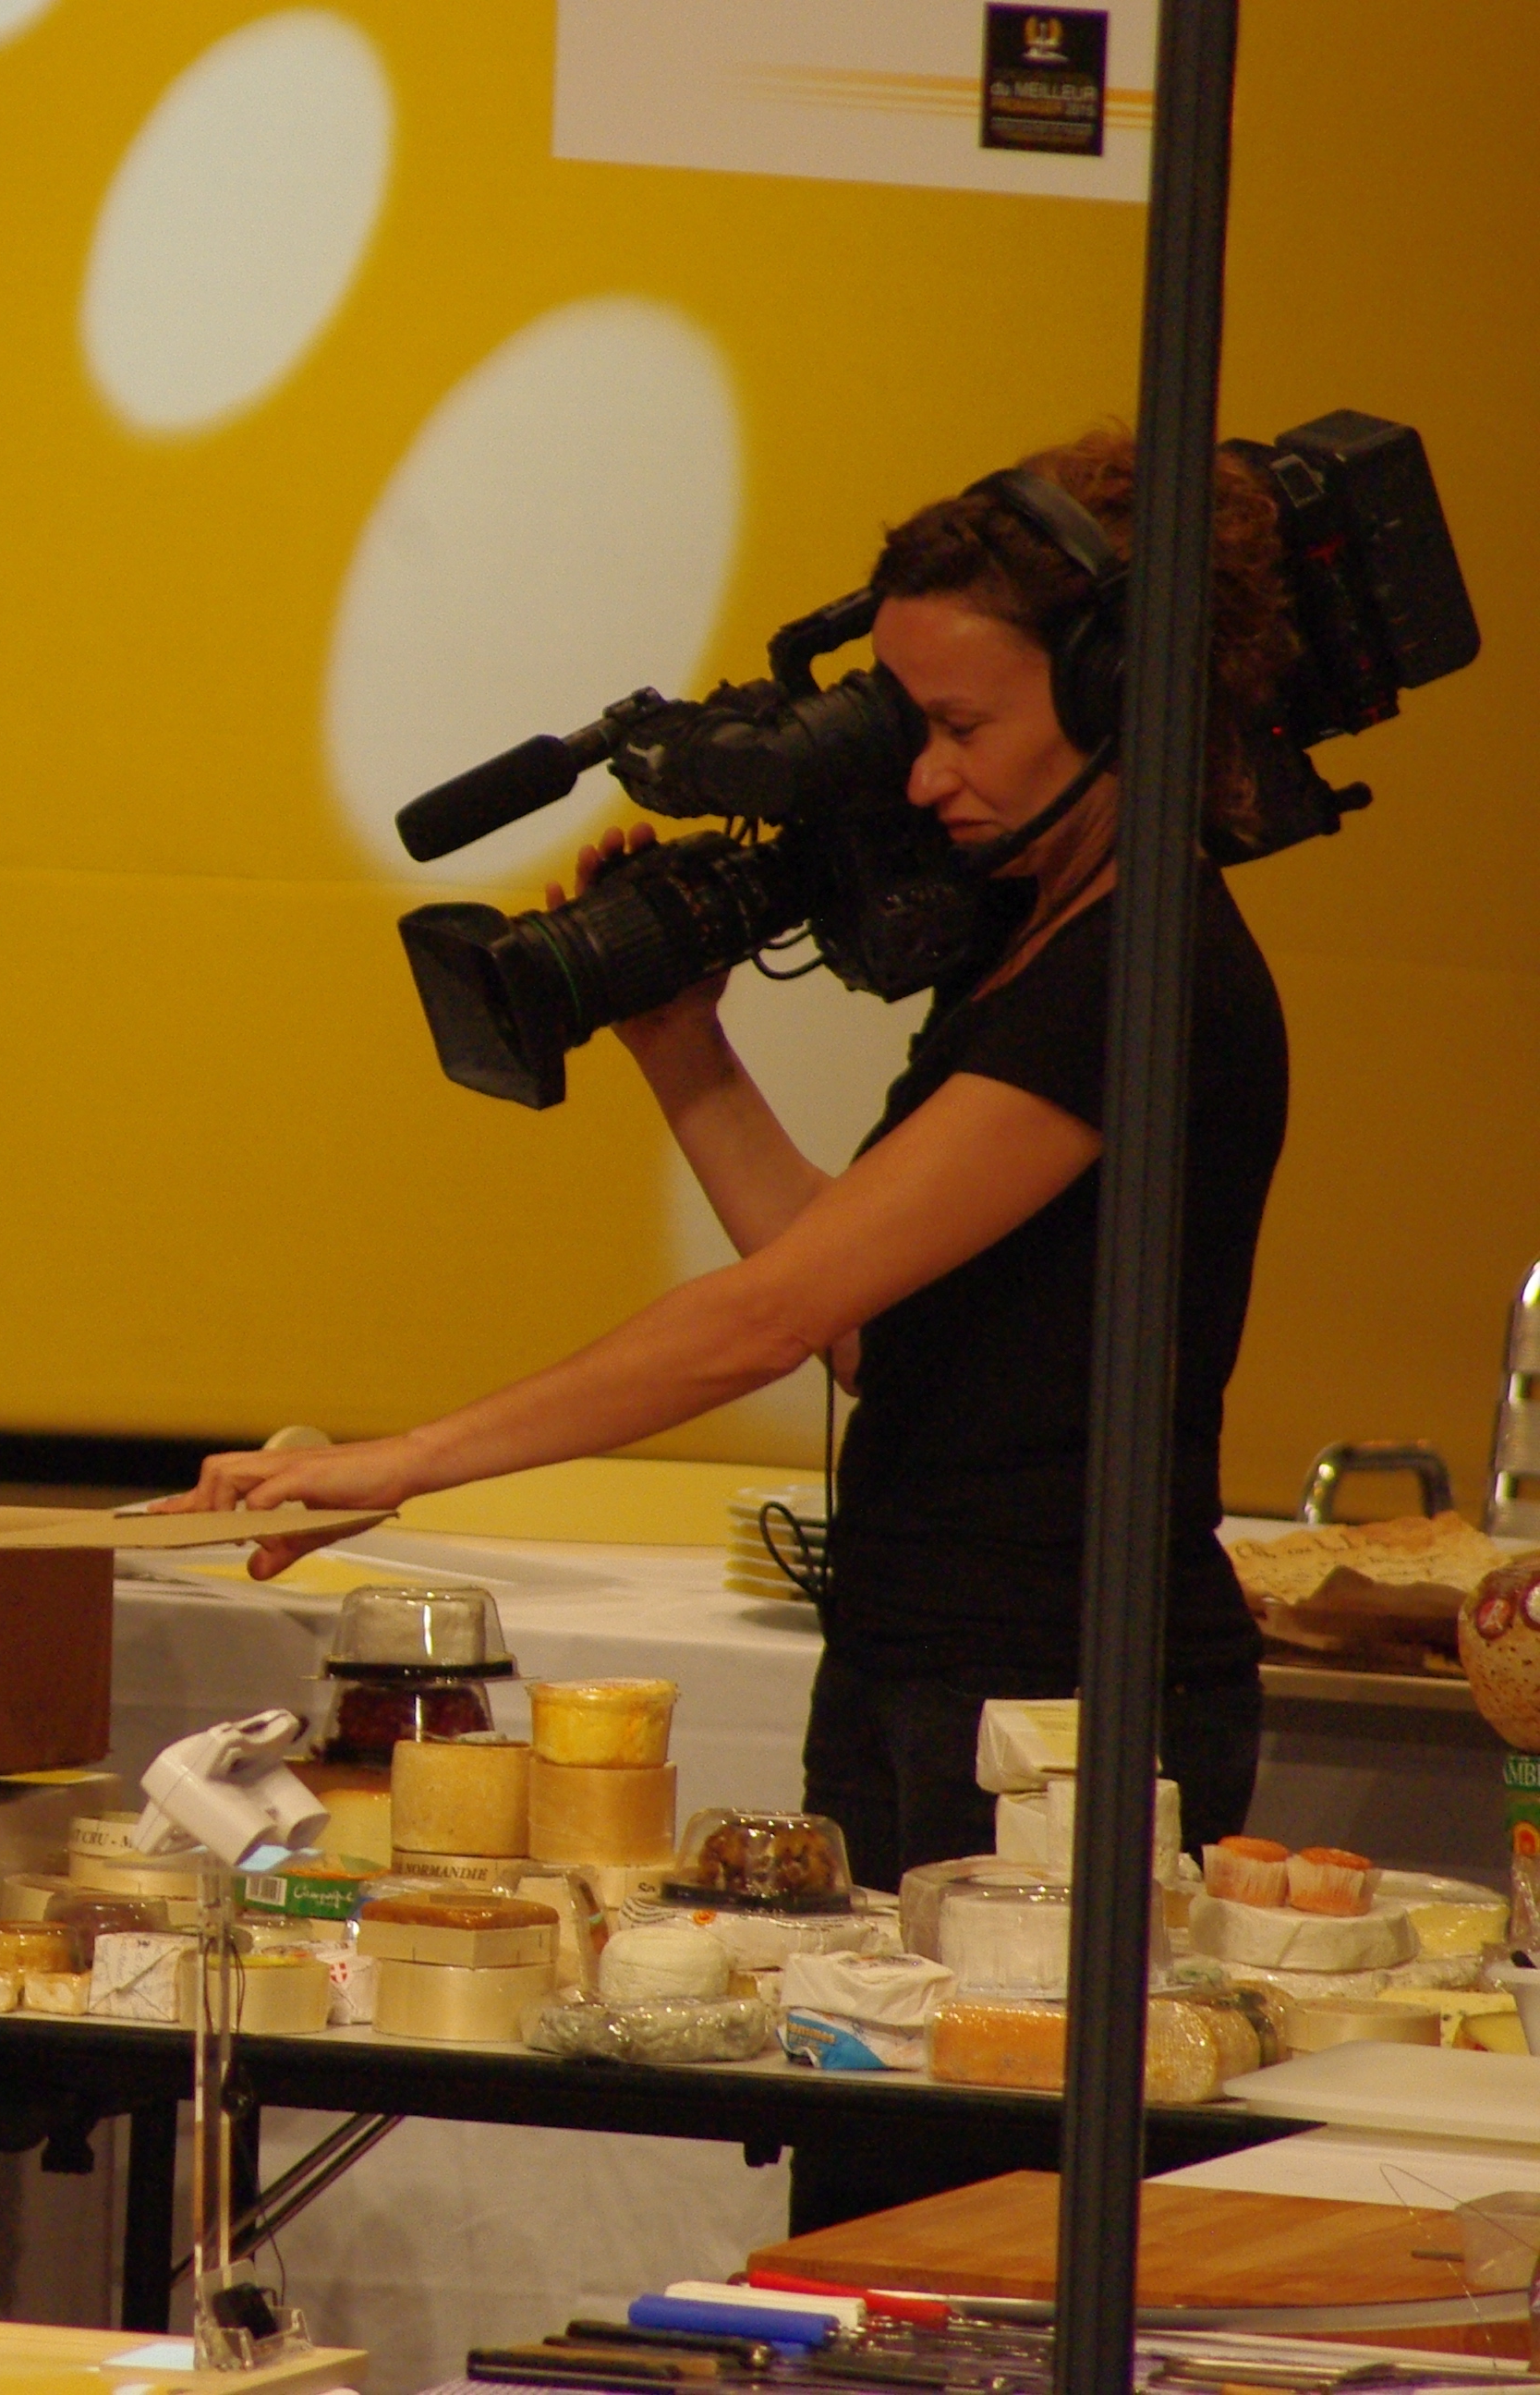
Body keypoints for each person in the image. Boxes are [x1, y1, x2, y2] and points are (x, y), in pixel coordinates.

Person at [175, 428, 1298, 1884]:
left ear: (1119, 696)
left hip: (1067, 1707)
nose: (922, 779)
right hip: (927, 1667)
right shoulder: (1038, 946)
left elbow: (770, 1318)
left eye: (961, 726)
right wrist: (680, 1042)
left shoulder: (1143, 977)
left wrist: (404, 1462)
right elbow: (870, 1327)